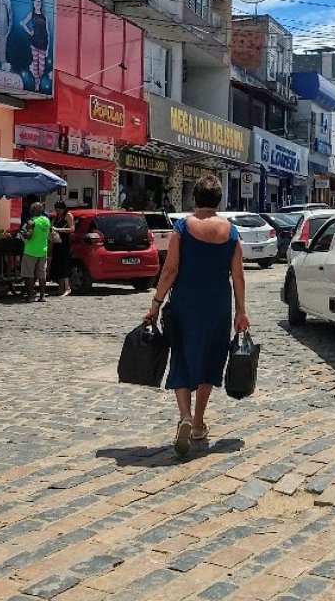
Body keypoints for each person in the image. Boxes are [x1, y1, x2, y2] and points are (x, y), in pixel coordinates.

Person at [143, 174, 250, 456]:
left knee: (182, 354)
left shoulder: (183, 227)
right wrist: (241, 311)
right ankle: (200, 421)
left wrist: (156, 302)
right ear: (218, 201)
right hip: (218, 304)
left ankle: (185, 417)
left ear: (195, 199)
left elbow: (170, 270)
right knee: (211, 357)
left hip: (185, 302)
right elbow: (238, 276)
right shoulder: (232, 231)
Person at [19, 201, 51, 302]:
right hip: (43, 250)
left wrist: (22, 232)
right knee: (42, 275)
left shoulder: (31, 222)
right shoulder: (46, 220)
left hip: (31, 251)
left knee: (29, 275)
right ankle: (42, 296)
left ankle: (31, 296)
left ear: (32, 210)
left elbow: (29, 235)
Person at [22, 0, 51, 92]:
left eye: (38, 1)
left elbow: (48, 32)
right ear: (33, 3)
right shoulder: (32, 14)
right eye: (35, 1)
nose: (37, 3)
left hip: (43, 45)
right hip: (34, 44)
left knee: (41, 69)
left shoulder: (44, 16)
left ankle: (37, 76)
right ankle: (36, 84)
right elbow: (24, 23)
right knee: (35, 64)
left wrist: (48, 47)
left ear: (41, 2)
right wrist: (30, 32)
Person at [49, 201, 75, 296]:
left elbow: (72, 228)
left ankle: (67, 288)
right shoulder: (57, 217)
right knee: (58, 265)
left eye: (59, 209)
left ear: (64, 208)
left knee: (64, 265)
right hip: (57, 243)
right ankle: (60, 288)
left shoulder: (68, 216)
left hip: (64, 243)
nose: (58, 211)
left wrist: (59, 229)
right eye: (57, 210)